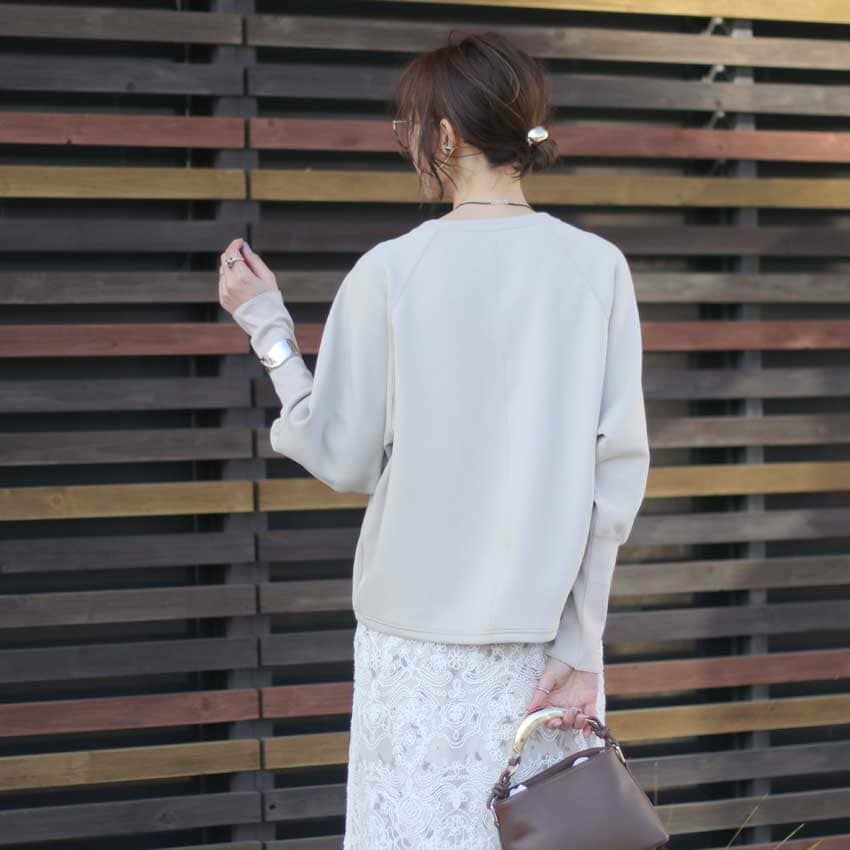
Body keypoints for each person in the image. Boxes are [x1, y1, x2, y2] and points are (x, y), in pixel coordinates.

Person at [219, 29, 650, 850]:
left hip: (413, 649)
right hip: (544, 646)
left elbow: (341, 455)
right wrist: (584, 642)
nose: (407, 142)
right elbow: (615, 477)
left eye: (410, 126)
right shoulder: (597, 269)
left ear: (445, 136)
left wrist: (268, 330)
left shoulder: (389, 272)